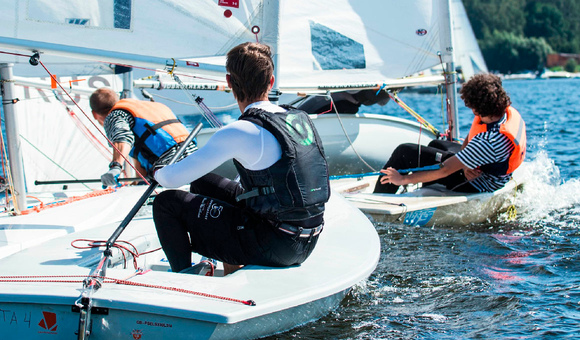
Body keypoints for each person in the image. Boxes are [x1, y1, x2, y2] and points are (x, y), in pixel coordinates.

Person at [152, 42, 331, 275]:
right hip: (307, 238)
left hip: (277, 244)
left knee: (166, 204)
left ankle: (186, 278)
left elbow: (170, 180)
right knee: (202, 183)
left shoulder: (240, 130)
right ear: (271, 81)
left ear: (228, 82)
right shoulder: (299, 118)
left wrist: (156, 170)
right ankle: (231, 269)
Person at [374, 73, 526, 194]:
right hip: (488, 171)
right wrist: (466, 164)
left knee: (404, 152)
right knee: (435, 144)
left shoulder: (489, 141)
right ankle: (427, 188)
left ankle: (379, 200)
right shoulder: (500, 112)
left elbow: (445, 170)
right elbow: (473, 135)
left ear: (475, 108)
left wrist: (401, 180)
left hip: (478, 183)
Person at [89, 88, 197, 187]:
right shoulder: (153, 105)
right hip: (196, 159)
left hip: (171, 167)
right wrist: (138, 184)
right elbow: (141, 155)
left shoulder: (115, 115)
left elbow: (123, 138)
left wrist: (115, 167)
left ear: (94, 114)